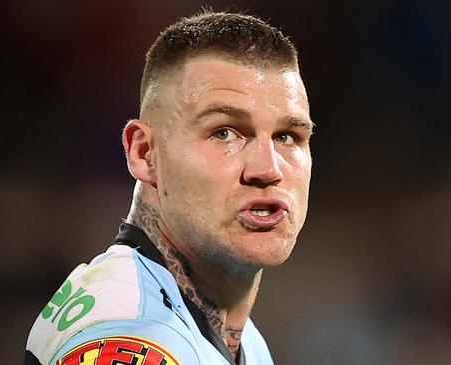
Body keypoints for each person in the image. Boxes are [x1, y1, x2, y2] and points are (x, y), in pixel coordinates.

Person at [24, 10, 313, 365]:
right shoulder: (132, 340)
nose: (268, 169)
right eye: (224, 132)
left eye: (288, 136)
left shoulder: (232, 336)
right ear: (145, 152)